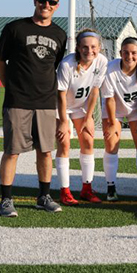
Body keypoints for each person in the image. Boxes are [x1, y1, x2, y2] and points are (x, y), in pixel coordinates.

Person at [0, 0, 67, 217]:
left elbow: (54, 66)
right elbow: (0, 61)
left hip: (46, 102)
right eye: (42, 0)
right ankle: (6, 200)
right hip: (18, 101)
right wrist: (11, 87)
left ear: (57, 6)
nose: (46, 5)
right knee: (12, 151)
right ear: (35, 1)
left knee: (46, 151)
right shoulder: (15, 28)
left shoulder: (60, 34)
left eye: (51, 2)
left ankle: (43, 196)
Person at [55, 29, 108, 205]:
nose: (89, 50)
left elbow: (94, 91)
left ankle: (87, 189)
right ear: (78, 47)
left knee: (88, 141)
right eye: (84, 47)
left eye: (93, 47)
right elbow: (60, 95)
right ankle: (65, 191)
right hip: (61, 107)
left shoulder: (101, 61)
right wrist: (63, 122)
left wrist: (89, 117)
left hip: (81, 108)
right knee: (64, 144)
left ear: (99, 47)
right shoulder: (67, 65)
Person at [100, 37, 137, 201]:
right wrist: (111, 122)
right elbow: (109, 99)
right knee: (112, 143)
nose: (130, 56)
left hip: (136, 109)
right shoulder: (111, 68)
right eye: (126, 53)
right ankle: (111, 188)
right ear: (120, 53)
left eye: (133, 53)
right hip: (113, 108)